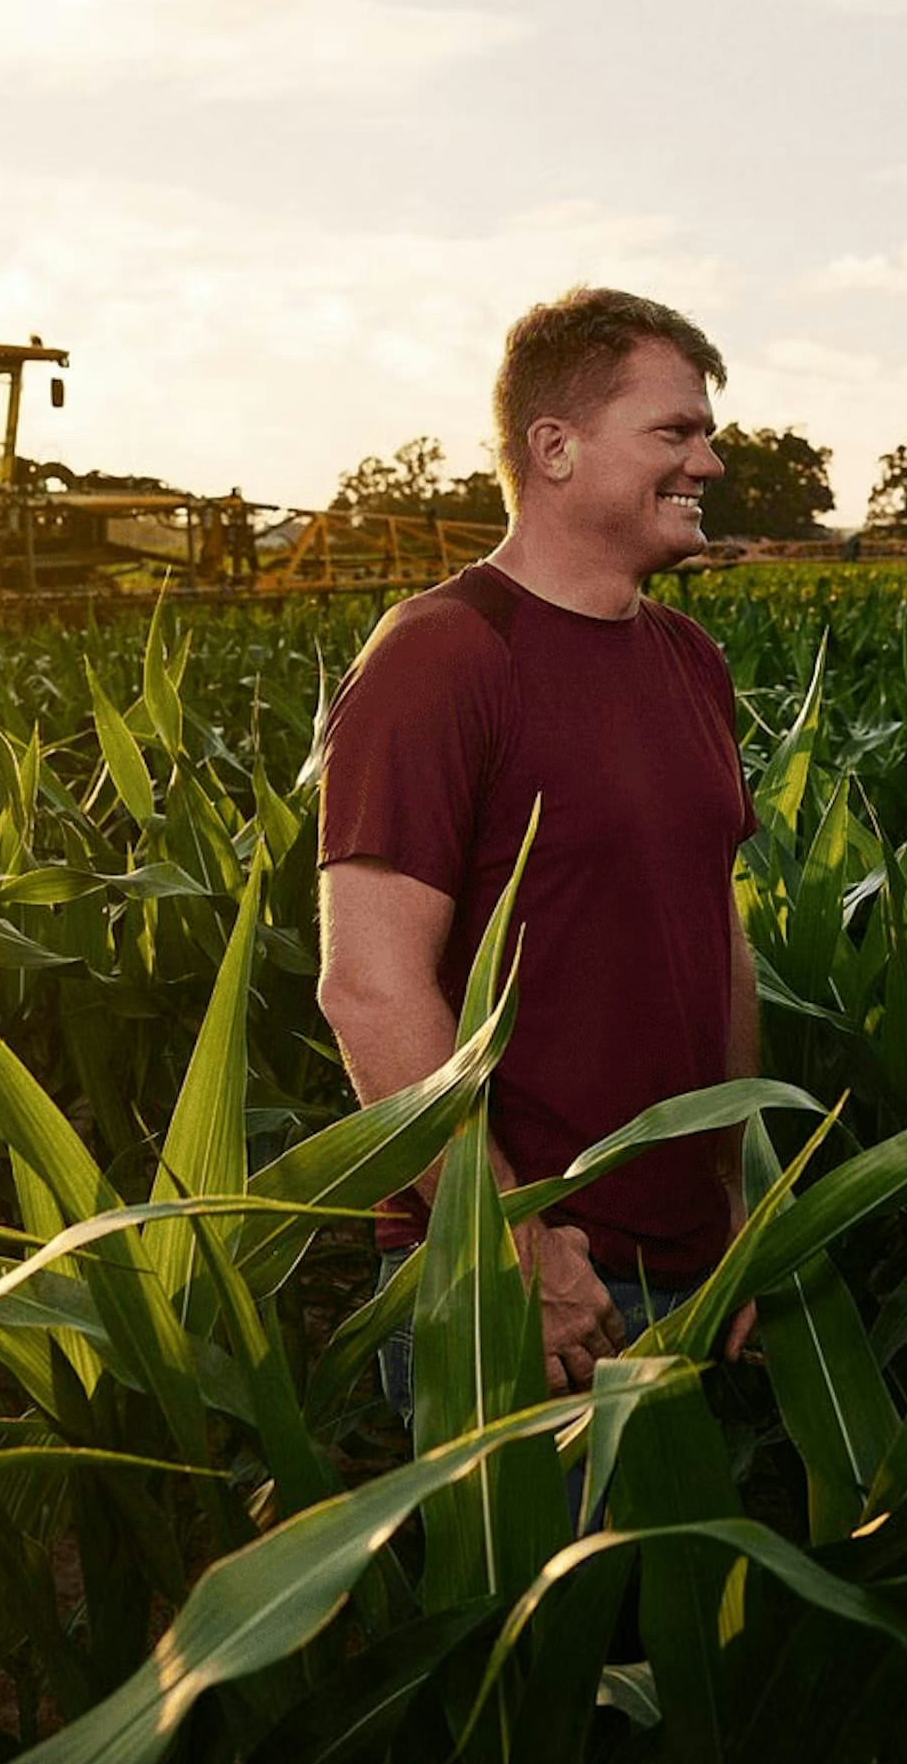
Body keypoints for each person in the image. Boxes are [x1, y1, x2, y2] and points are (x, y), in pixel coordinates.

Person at [316, 286, 765, 1411]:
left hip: (691, 1266)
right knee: (527, 1593)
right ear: (555, 448)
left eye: (707, 433)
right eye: (676, 432)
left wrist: (746, 1201)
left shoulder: (688, 658)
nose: (708, 463)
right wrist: (511, 1238)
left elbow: (718, 943)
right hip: (518, 1287)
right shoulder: (444, 655)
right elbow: (368, 988)